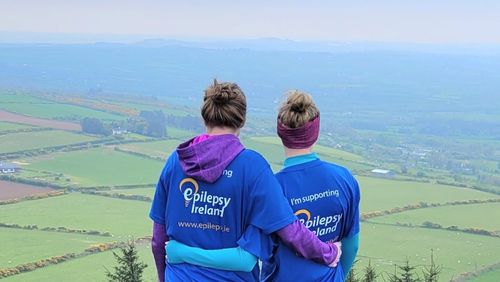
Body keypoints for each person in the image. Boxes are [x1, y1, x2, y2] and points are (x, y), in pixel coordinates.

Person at [150, 81, 341, 282]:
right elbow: (288, 229)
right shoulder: (252, 166)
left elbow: (158, 239)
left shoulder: (176, 161)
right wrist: (328, 252)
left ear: (204, 116)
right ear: (242, 121)